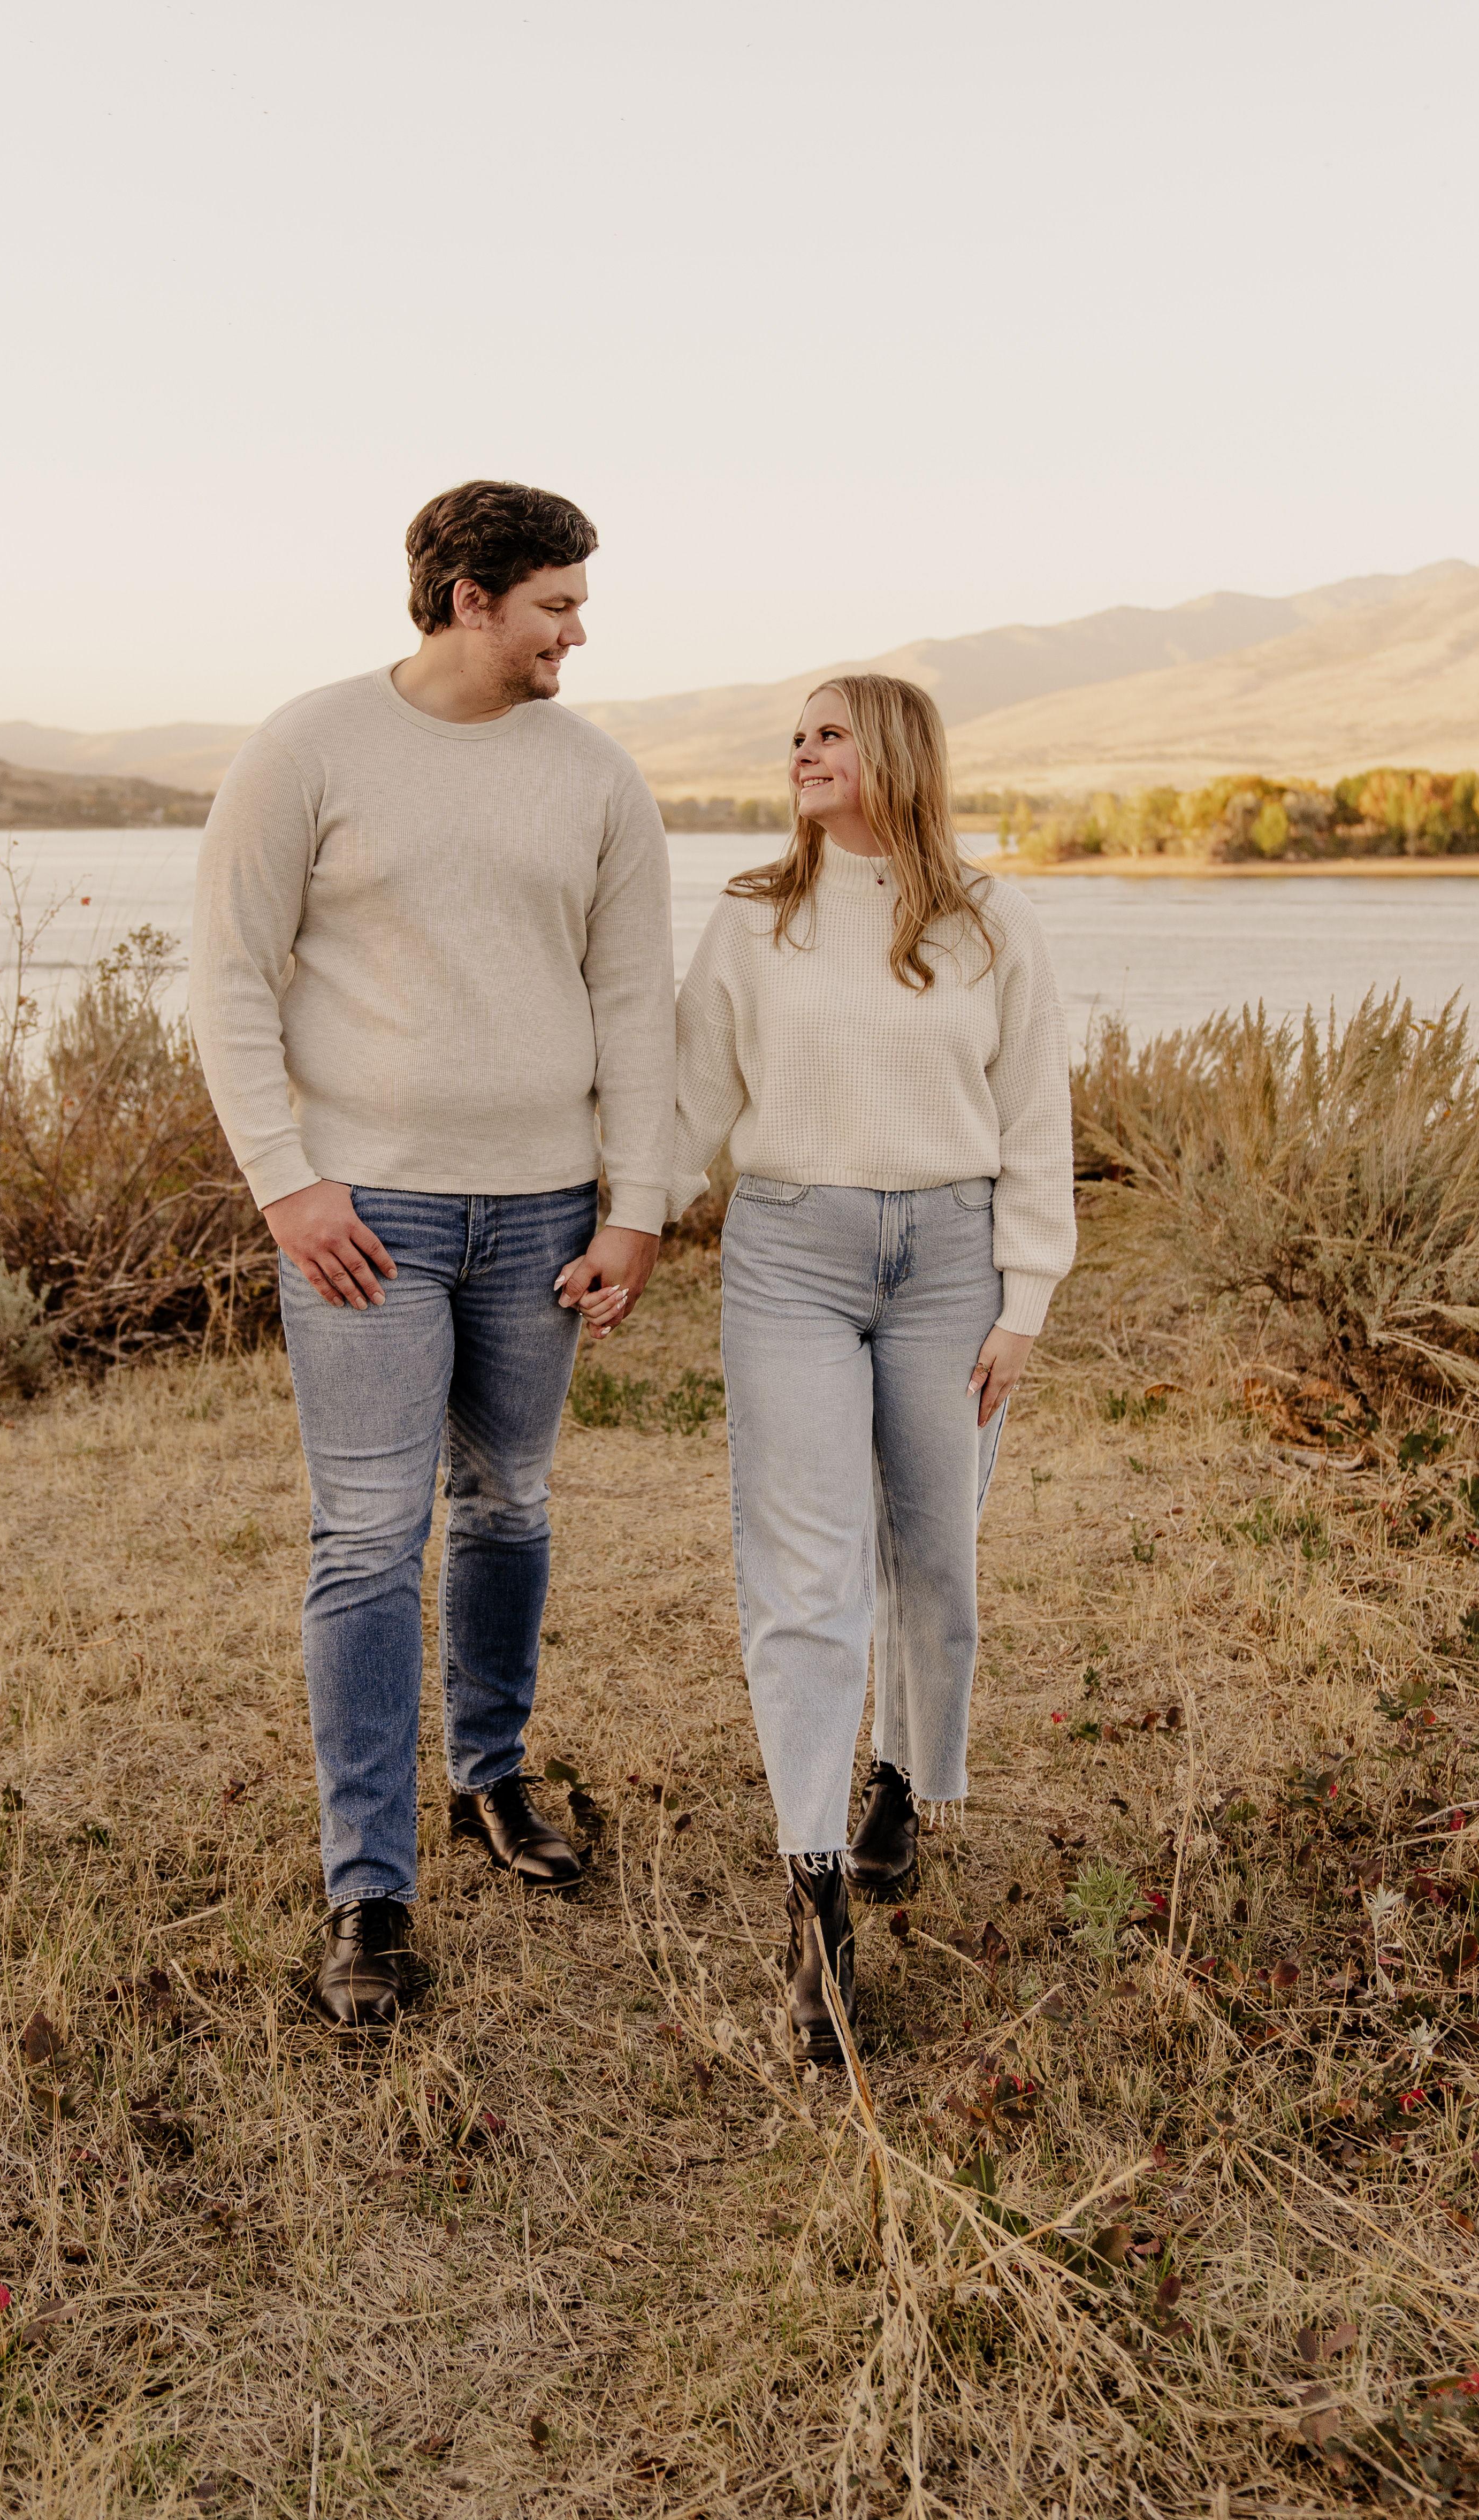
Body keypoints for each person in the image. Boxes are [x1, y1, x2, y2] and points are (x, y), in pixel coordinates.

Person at [187, 480, 674, 2031]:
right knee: (366, 1537)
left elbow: (636, 1002)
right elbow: (229, 979)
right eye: (556, 606)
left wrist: (639, 1204)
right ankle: (369, 1890)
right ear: (471, 599)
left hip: (543, 1213)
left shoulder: (596, 777)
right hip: (366, 1222)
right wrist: (286, 1186)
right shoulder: (310, 748)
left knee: (510, 1502)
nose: (577, 633)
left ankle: (492, 1774)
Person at [636, 671, 1073, 2064]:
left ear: (894, 753)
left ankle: (900, 1776)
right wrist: (629, 1223)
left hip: (951, 1260)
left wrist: (1025, 1299)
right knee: (807, 1575)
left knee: (932, 1556)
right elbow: (693, 1097)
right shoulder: (755, 917)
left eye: (830, 733)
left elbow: (1034, 1115)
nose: (803, 751)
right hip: (792, 1255)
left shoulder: (991, 922)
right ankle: (814, 1893)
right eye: (798, 737)